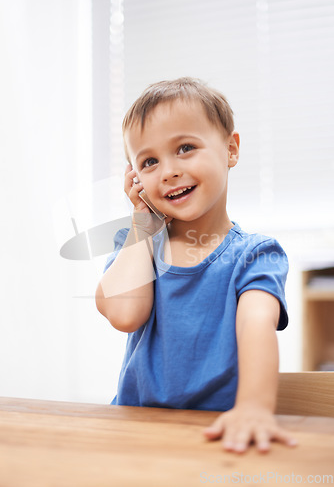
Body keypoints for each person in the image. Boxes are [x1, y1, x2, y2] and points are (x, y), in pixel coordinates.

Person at [95, 77, 297, 454]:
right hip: (135, 431)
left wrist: (253, 407)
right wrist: (141, 221)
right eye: (149, 161)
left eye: (185, 148)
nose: (168, 171)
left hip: (216, 433)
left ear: (231, 150)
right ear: (134, 178)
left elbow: (256, 325)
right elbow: (125, 314)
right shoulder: (137, 246)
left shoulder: (256, 254)